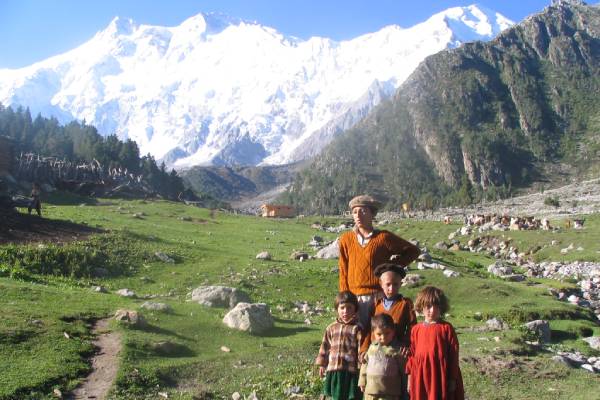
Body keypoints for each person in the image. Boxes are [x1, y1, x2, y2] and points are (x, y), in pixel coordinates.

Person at [339, 194, 420, 328]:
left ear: (372, 214)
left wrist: (391, 268)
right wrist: (345, 299)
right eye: (354, 212)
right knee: (355, 334)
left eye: (363, 211)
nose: (358, 215)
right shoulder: (346, 239)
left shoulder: (383, 238)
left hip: (378, 297)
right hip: (354, 298)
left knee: (379, 334)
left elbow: (413, 251)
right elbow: (343, 270)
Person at [360, 263, 415, 397]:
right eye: (388, 284)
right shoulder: (376, 304)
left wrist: (407, 345)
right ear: (381, 283)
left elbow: (412, 327)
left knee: (400, 384)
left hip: (397, 351)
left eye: (395, 284)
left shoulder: (405, 304)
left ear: (400, 284)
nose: (391, 288)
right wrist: (364, 348)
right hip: (376, 350)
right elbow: (369, 328)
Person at [407, 287, 464, 400]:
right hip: (420, 375)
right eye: (428, 306)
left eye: (436, 306)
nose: (432, 310)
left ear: (441, 307)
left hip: (440, 374)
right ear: (421, 307)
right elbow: (412, 355)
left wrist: (452, 378)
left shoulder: (446, 328)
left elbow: (453, 354)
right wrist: (410, 377)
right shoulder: (416, 329)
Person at [316, 291, 363, 400]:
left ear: (355, 309)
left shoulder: (357, 328)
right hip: (334, 369)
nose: (345, 311)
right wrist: (322, 364)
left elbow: (361, 349)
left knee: (350, 396)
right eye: (342, 308)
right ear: (337, 309)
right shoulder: (331, 328)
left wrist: (361, 368)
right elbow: (325, 346)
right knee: (335, 395)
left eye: (349, 308)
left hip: (350, 370)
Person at [359, 313, 407, 400]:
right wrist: (362, 381)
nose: (383, 337)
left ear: (393, 332)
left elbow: (404, 372)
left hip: (390, 394)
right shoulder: (371, 348)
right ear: (373, 333)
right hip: (371, 392)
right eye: (379, 334)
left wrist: (405, 390)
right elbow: (364, 365)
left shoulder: (397, 350)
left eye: (387, 333)